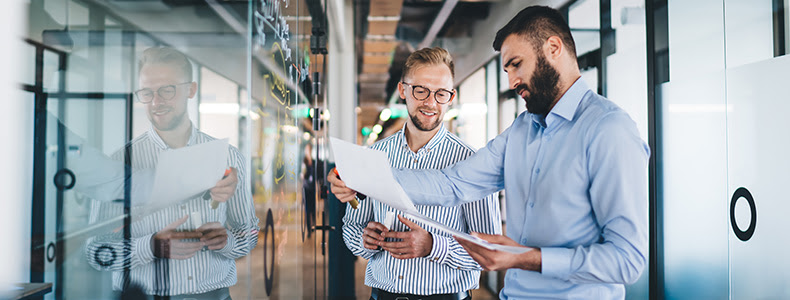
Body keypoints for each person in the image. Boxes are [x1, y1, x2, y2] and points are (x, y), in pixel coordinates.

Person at [329, 6, 649, 299]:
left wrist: (527, 258)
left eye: (516, 65)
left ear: (553, 48)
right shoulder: (522, 130)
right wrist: (362, 177)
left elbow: (628, 260)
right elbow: (452, 185)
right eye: (507, 69)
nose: (511, 81)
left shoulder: (609, 130)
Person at [85, 47, 259, 299]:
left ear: (191, 89)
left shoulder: (229, 157)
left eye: (167, 90)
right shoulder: (119, 162)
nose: (156, 102)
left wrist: (227, 241)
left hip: (215, 295)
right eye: (147, 93)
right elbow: (94, 251)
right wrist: (151, 247)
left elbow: (250, 231)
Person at [339, 47, 502, 300]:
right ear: (403, 90)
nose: (430, 102)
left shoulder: (472, 162)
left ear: (451, 97)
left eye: (441, 94)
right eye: (421, 90)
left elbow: (489, 250)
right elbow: (350, 226)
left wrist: (433, 246)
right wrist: (364, 238)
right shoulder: (373, 156)